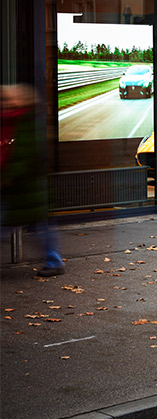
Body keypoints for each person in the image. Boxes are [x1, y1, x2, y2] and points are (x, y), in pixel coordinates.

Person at [0, 84, 65, 276]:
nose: (4, 104)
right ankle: (55, 262)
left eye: (7, 100)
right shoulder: (12, 121)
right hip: (22, 190)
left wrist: (6, 177)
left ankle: (55, 263)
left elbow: (24, 156)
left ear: (20, 101)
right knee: (41, 228)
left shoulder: (26, 123)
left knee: (39, 228)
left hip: (25, 189)